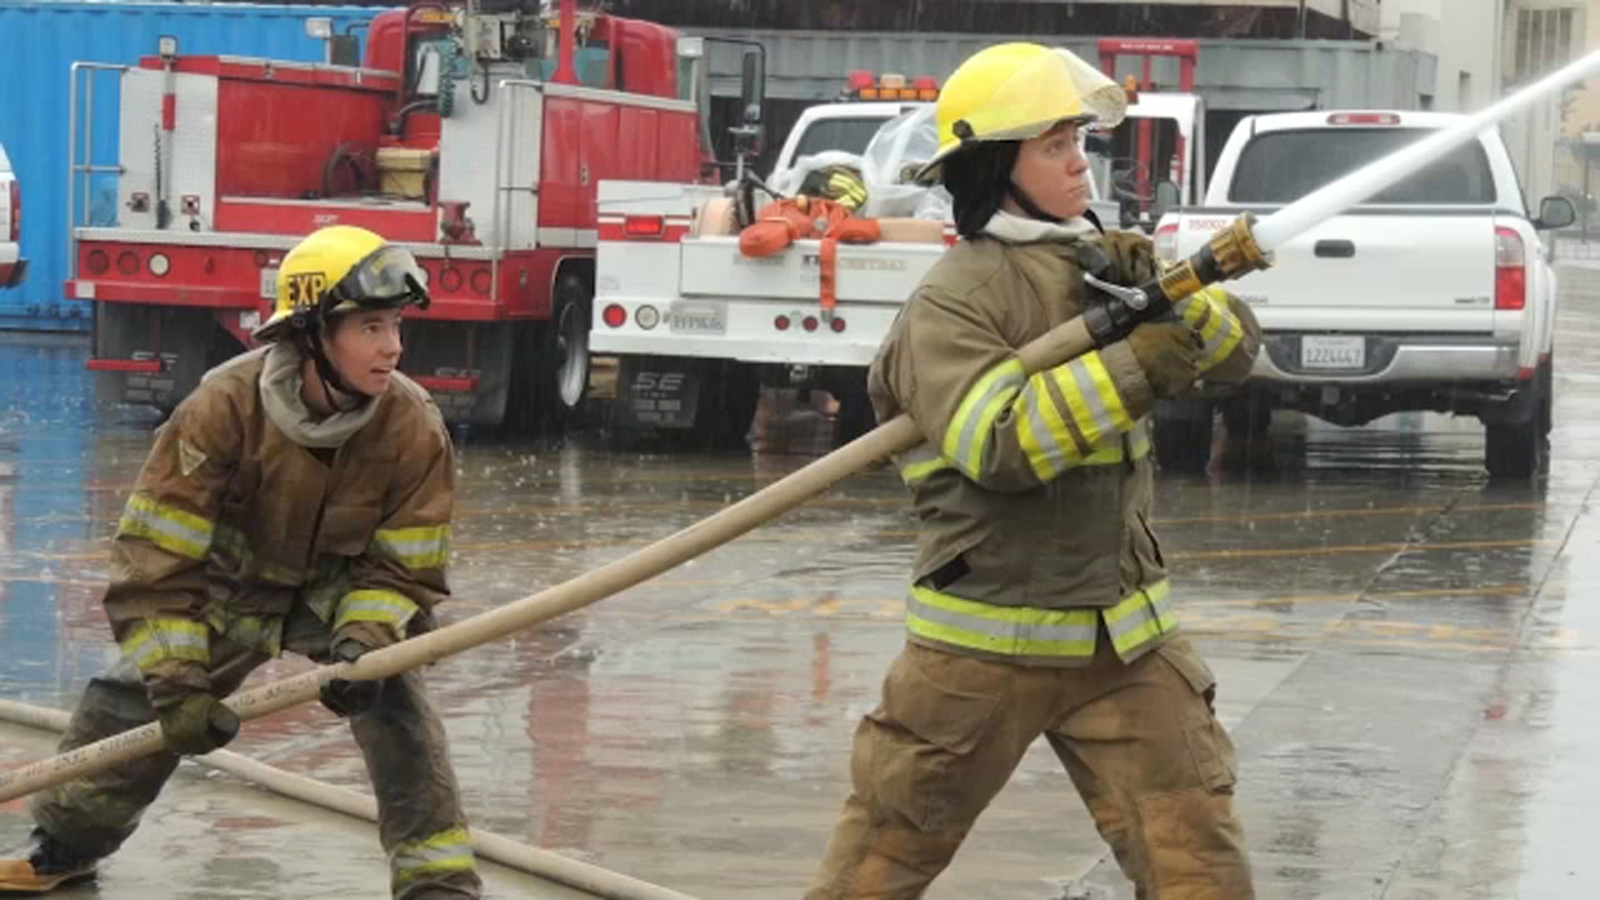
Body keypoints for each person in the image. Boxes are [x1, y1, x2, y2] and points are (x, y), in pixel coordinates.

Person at [806, 43, 1261, 899]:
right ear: (995, 166)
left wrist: (1184, 301)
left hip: (1124, 640)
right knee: (879, 863)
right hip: (981, 651)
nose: (1079, 164)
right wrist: (1143, 361)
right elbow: (999, 445)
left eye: (1079, 143)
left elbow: (1239, 358)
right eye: (1055, 147)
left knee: (1199, 862)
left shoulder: (1108, 265)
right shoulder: (956, 299)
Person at [0, 225, 482, 899]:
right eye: (372, 327)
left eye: (397, 325)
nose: (394, 347)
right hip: (231, 592)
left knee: (399, 709)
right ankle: (65, 847)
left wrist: (366, 642)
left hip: (336, 602)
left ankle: (438, 881)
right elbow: (155, 560)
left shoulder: (412, 424)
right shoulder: (221, 407)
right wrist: (177, 686)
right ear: (312, 331)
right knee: (127, 700)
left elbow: (406, 564)